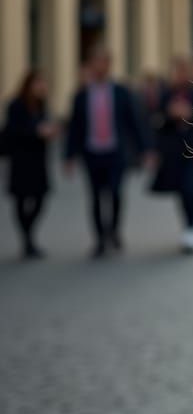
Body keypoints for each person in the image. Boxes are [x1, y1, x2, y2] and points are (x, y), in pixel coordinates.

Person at [64, 46, 153, 256]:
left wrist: (146, 149)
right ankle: (99, 239)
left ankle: (113, 230)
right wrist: (69, 156)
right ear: (90, 65)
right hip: (92, 152)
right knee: (95, 196)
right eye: (96, 62)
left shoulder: (121, 92)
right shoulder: (82, 95)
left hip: (116, 153)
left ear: (109, 65)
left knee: (114, 193)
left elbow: (134, 122)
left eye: (104, 62)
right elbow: (75, 127)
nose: (100, 66)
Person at [151, 56, 193, 252]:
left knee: (191, 189)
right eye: (178, 71)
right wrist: (170, 115)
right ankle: (187, 226)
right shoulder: (167, 94)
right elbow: (157, 122)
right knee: (181, 191)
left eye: (184, 71)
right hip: (174, 154)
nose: (180, 75)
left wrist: (189, 114)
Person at [4, 70, 58, 258]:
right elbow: (13, 131)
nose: (42, 87)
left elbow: (47, 125)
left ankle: (28, 234)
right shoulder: (15, 105)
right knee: (21, 199)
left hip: (38, 160)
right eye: (39, 83)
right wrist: (36, 132)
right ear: (29, 84)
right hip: (21, 160)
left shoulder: (42, 105)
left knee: (40, 199)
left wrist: (50, 132)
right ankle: (27, 238)